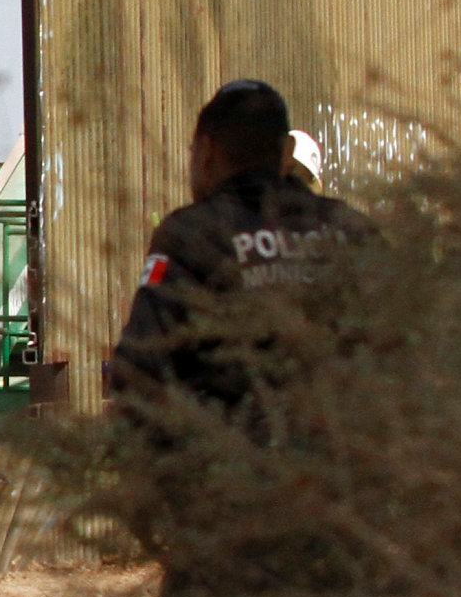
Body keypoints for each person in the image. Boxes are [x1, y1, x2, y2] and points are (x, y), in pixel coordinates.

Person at [106, 78, 374, 428]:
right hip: (346, 466)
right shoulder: (351, 230)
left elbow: (138, 372)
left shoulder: (191, 236)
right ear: (282, 156)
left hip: (234, 467)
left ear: (207, 151)